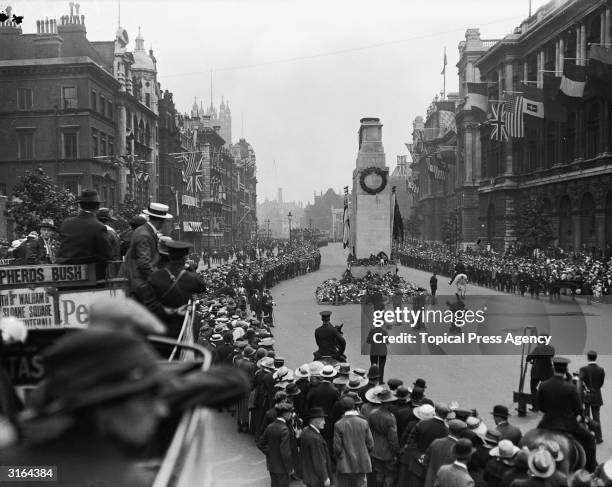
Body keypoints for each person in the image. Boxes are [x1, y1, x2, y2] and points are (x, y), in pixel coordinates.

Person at [0, 326, 249, 487]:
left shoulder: (21, 464)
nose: (161, 409)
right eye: (146, 398)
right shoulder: (128, 480)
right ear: (101, 407)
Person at [537, 357, 597, 472]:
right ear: (566, 370)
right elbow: (578, 410)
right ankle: (591, 471)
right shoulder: (570, 388)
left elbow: (541, 407)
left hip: (547, 423)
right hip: (568, 425)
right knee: (590, 440)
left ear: (553, 368)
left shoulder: (543, 385)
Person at [148, 240, 207, 338]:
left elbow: (150, 305)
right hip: (181, 329)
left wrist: (171, 311)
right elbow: (202, 287)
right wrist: (189, 268)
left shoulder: (154, 276)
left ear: (169, 257)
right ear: (185, 259)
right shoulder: (190, 278)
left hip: (158, 327)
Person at [56, 189, 114, 278]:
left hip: (65, 277)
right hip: (91, 278)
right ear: (97, 207)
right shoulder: (98, 226)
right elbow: (107, 255)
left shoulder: (66, 223)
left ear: (80, 205)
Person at [123, 203, 173, 302]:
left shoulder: (145, 231)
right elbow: (144, 264)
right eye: (166, 221)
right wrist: (159, 280)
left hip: (141, 282)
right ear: (160, 221)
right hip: (140, 284)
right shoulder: (144, 235)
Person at [334, 396, 374, 487]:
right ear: (354, 406)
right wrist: (367, 454)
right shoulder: (364, 422)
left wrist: (337, 457)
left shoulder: (338, 424)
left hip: (345, 460)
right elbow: (370, 443)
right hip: (362, 458)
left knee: (343, 483)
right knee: (362, 482)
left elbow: (337, 447)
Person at [257, 400, 296, 487]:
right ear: (285, 414)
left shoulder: (270, 426)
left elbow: (260, 444)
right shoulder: (285, 430)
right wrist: (290, 468)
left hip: (272, 465)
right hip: (282, 468)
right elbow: (285, 452)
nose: (290, 415)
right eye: (290, 413)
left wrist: (270, 452)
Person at [424, 419, 468, 487]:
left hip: (430, 482)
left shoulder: (436, 442)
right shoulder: (460, 449)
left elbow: (425, 461)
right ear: (462, 433)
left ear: (449, 430)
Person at [300, 407, 332, 487]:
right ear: (315, 421)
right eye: (322, 419)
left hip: (310, 476)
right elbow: (319, 460)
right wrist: (325, 478)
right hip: (316, 479)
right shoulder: (315, 438)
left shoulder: (306, 431)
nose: (324, 422)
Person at [579, 350, 605, 444]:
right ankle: (599, 438)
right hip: (597, 395)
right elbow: (601, 383)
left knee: (586, 417)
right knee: (596, 417)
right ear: (596, 357)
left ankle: (588, 437)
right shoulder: (601, 369)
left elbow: (580, 383)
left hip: (586, 395)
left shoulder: (583, 369)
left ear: (588, 357)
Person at [526, 335, 555, 412]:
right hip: (548, 373)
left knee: (533, 388)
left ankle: (536, 407)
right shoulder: (551, 348)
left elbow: (529, 358)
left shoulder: (538, 348)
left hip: (537, 372)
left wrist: (529, 357)